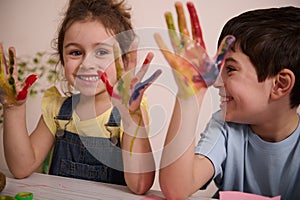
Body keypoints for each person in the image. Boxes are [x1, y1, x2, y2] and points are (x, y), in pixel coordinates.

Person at [0, 0, 161, 195]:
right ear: (62, 59)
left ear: (125, 61)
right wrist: (13, 110)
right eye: (76, 52)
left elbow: (140, 185)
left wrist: (131, 117)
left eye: (101, 52)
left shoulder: (130, 112)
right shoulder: (57, 110)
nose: (87, 64)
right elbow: (21, 168)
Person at [155, 2, 300, 200]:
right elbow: (176, 189)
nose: (215, 82)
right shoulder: (226, 127)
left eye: (230, 69)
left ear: (280, 84)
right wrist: (189, 96)